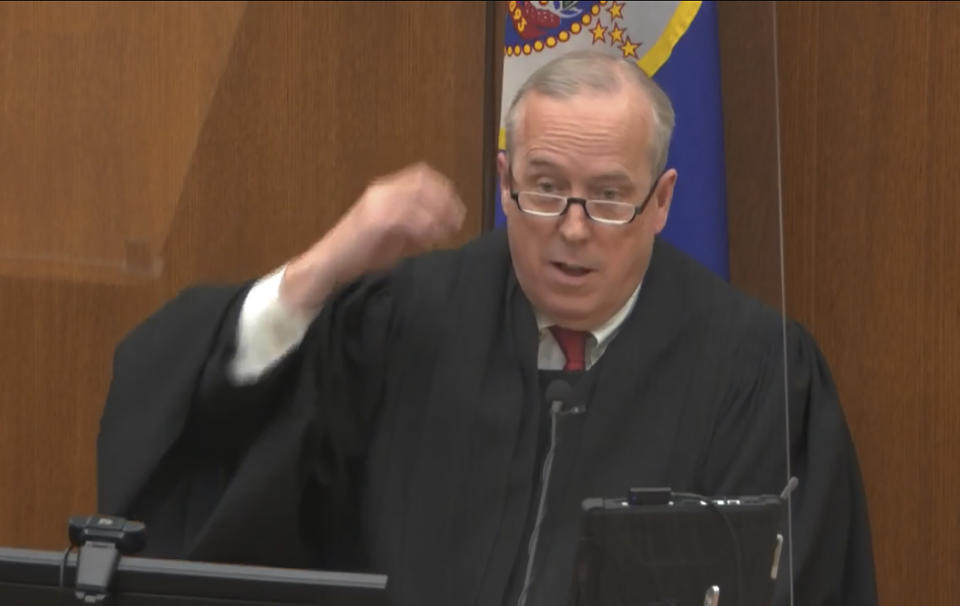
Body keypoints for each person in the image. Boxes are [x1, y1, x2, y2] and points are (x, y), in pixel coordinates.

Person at [97, 50, 877, 605]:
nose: (573, 229)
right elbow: (206, 420)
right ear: (503, 182)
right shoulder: (405, 322)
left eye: (609, 197)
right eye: (544, 188)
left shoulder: (756, 371)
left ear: (663, 201)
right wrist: (325, 269)